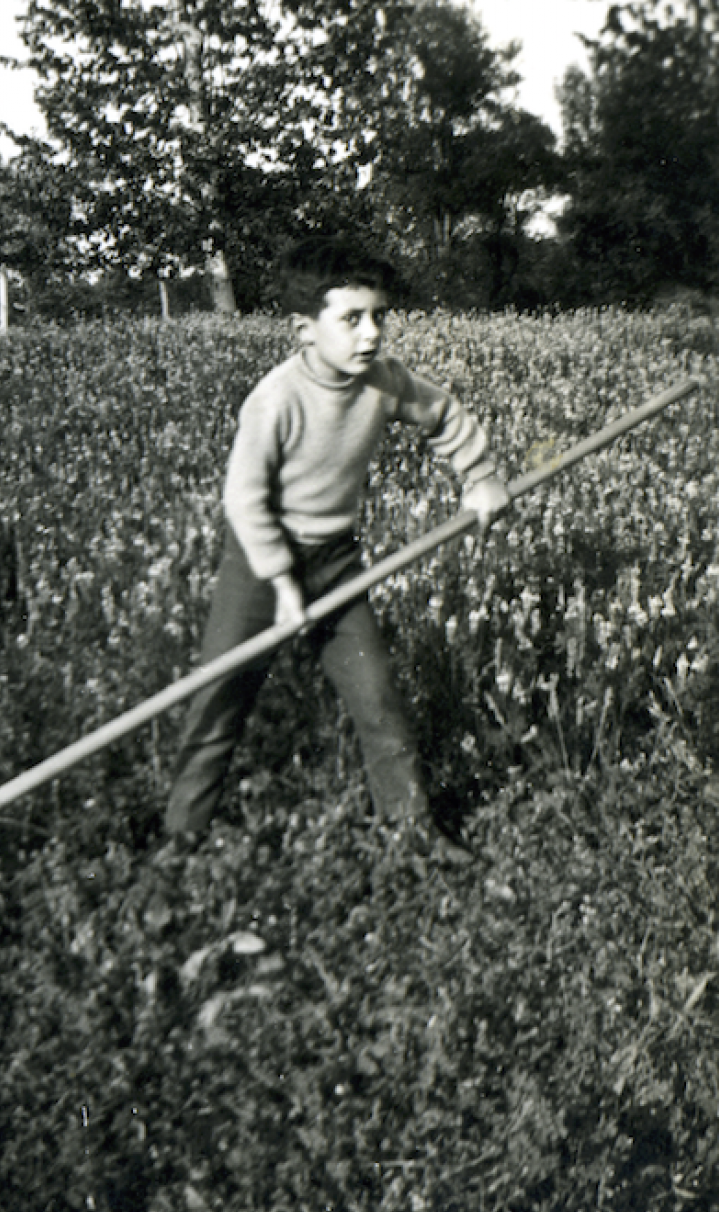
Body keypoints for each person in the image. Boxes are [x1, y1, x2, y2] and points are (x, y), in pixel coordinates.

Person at [164, 238, 509, 861]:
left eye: (378, 315)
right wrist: (286, 590)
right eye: (351, 319)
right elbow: (244, 502)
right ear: (304, 329)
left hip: (336, 563)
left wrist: (479, 477)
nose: (369, 333)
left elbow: (444, 415)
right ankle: (184, 836)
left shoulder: (383, 382)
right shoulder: (275, 400)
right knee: (219, 697)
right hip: (261, 566)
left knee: (377, 697)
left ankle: (411, 830)